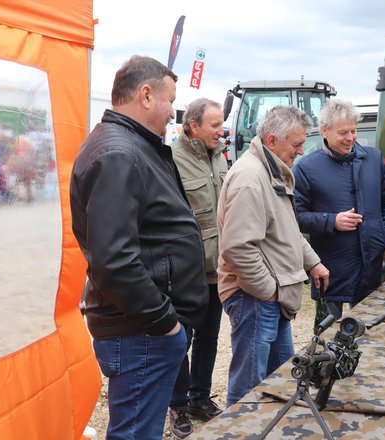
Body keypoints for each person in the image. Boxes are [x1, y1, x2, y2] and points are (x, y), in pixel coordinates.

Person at [70, 55, 208, 440]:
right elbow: (114, 259)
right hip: (141, 332)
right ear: (146, 95)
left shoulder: (133, 147)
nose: (174, 112)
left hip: (143, 329)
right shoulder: (119, 153)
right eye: (171, 100)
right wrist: (165, 324)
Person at [217, 105, 330, 407]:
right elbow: (238, 248)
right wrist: (268, 292)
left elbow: (286, 231)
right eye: (296, 144)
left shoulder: (271, 171)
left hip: (271, 298)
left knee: (281, 382)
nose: (301, 151)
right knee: (247, 393)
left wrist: (313, 261)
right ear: (271, 140)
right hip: (257, 299)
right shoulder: (251, 179)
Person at [292, 99, 385, 326]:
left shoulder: (372, 158)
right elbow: (294, 216)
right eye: (343, 132)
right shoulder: (306, 168)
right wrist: (332, 221)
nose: (350, 138)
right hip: (330, 271)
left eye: (353, 130)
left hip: (370, 267)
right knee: (327, 337)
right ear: (325, 132)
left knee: (367, 333)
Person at [168, 98, 226, 438]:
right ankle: (177, 406)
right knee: (180, 342)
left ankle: (200, 398)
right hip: (185, 273)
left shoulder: (220, 157)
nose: (222, 131)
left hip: (218, 272)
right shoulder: (172, 160)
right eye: (215, 125)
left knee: (210, 338)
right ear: (193, 127)